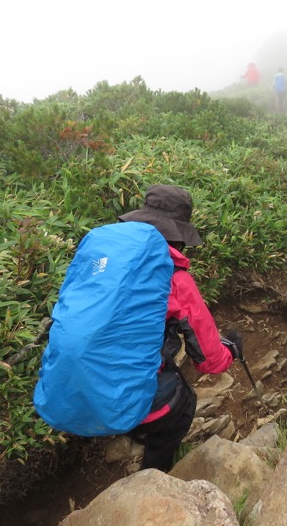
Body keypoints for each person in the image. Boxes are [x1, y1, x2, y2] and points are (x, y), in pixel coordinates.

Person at [117, 184, 244, 471]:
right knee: (182, 406)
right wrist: (232, 351)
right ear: (178, 237)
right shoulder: (174, 280)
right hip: (126, 386)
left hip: (80, 380)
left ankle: (125, 427)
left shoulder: (104, 260)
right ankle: (152, 473)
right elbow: (210, 360)